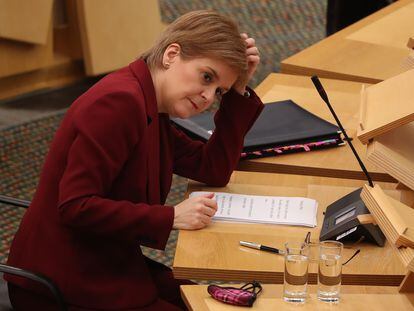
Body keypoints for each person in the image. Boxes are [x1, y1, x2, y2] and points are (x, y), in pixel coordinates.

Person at [5, 10, 263, 310]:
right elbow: (75, 206)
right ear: (171, 54)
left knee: (208, 302)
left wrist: (238, 91)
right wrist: (172, 217)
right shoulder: (120, 103)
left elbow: (212, 168)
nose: (208, 97)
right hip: (63, 282)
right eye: (206, 77)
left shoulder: (154, 104)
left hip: (108, 262)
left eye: (218, 91)